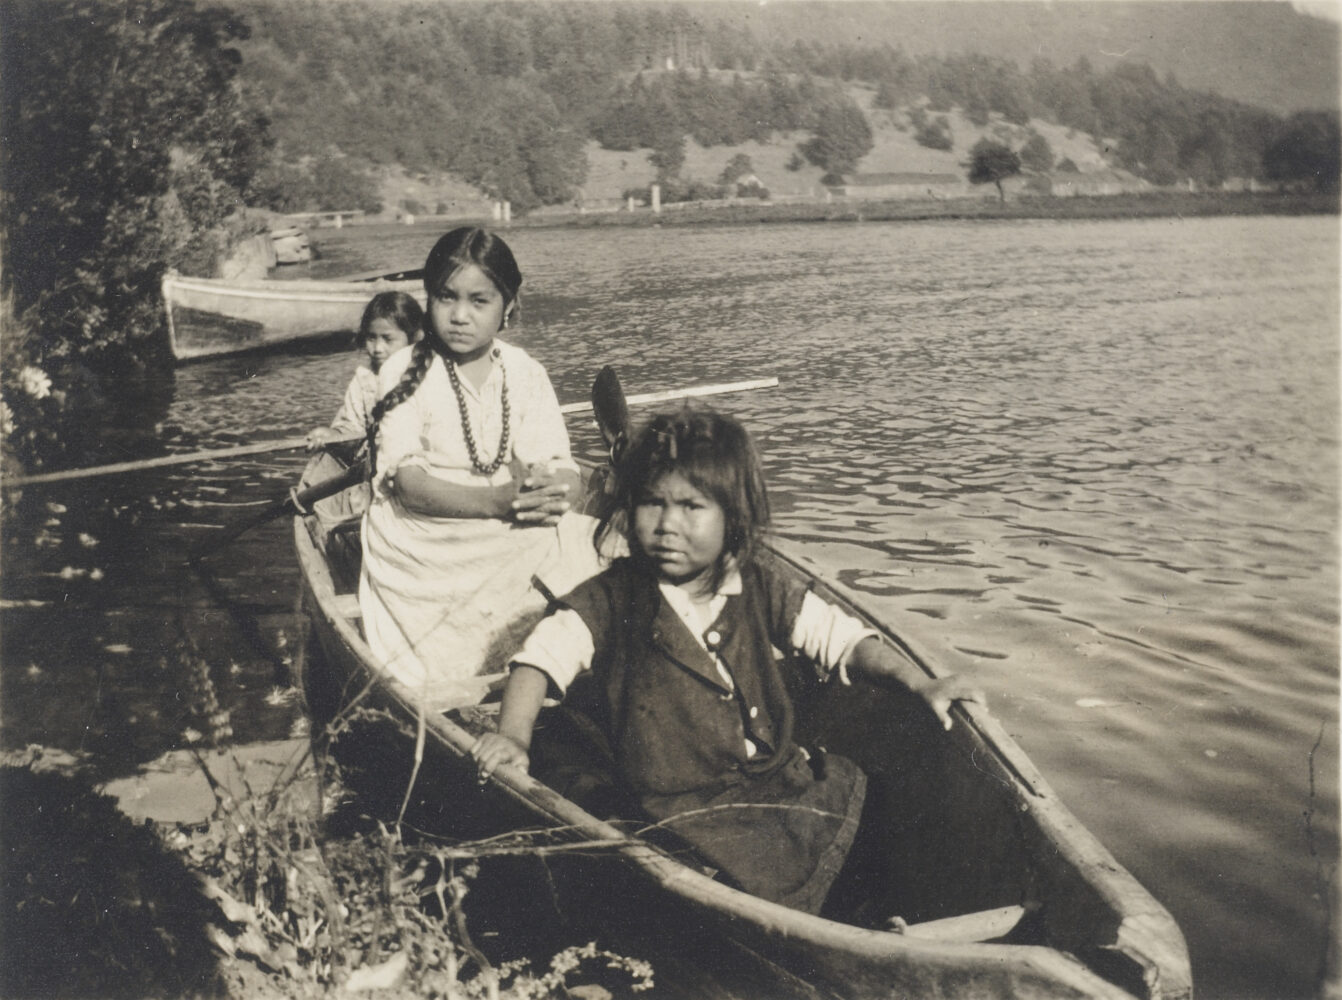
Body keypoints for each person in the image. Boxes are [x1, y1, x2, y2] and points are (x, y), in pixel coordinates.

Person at [471, 408, 985, 915]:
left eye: (691, 507)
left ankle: (870, 912)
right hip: (679, 805)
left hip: (775, 780)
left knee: (856, 799)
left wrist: (919, 683)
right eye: (652, 503)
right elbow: (537, 661)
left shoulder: (760, 582)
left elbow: (843, 639)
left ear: (732, 516)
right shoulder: (610, 599)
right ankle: (825, 921)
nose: (667, 524)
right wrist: (514, 736)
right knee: (730, 865)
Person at [359, 227, 606, 710]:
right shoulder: (403, 368)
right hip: (428, 540)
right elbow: (408, 485)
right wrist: (498, 501)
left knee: (588, 542)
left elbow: (561, 466)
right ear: (428, 299)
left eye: (479, 301)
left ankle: (554, 667)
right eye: (445, 298)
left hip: (510, 519)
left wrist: (551, 489)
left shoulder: (524, 371)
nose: (458, 316)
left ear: (509, 305)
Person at [305, 291, 423, 453]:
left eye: (388, 339)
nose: (377, 349)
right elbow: (351, 430)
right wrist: (330, 435)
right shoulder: (364, 380)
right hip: (376, 461)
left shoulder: (426, 376)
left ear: (413, 340)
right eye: (371, 338)